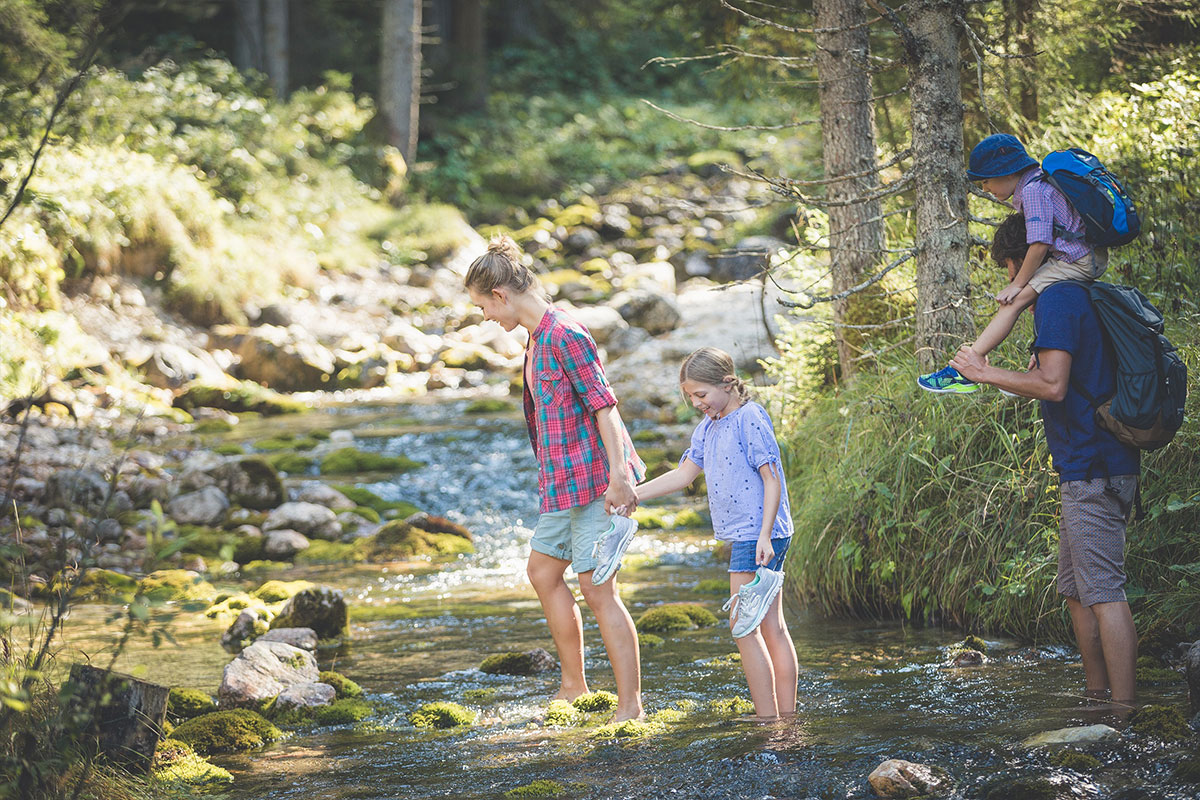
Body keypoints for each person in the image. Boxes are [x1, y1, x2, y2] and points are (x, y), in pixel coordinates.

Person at [464, 235, 646, 722]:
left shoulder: (566, 333)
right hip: (561, 486)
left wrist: (620, 477)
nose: (484, 317)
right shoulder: (535, 340)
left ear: (500, 295)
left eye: (483, 306)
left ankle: (630, 707)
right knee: (543, 573)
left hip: (595, 482)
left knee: (598, 588)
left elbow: (605, 407)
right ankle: (574, 686)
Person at [948, 276, 1140, 709]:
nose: (1010, 291)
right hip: (1086, 467)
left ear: (1025, 265)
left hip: (1096, 467)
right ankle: (1096, 696)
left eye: (1011, 274)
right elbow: (1047, 379)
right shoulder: (1070, 298)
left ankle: (1125, 715)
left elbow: (1053, 385)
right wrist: (993, 376)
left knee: (1104, 592)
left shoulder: (1058, 298)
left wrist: (982, 369)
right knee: (1075, 590)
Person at [633, 347, 798, 720]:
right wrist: (633, 495)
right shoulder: (708, 426)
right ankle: (786, 721)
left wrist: (764, 536)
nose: (696, 403)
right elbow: (683, 475)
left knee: (743, 626)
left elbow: (772, 480)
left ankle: (769, 719)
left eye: (701, 395)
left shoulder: (750, 418)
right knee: (769, 626)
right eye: (690, 397)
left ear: (727, 383)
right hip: (753, 534)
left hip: (758, 535)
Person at [919, 133, 1109, 394]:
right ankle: (1033, 367)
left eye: (986, 180)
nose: (985, 189)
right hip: (1084, 256)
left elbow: (1039, 243)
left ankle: (966, 368)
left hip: (1076, 260)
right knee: (1031, 300)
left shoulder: (1032, 191)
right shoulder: (1041, 183)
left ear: (1007, 172)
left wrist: (1017, 284)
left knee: (1014, 301)